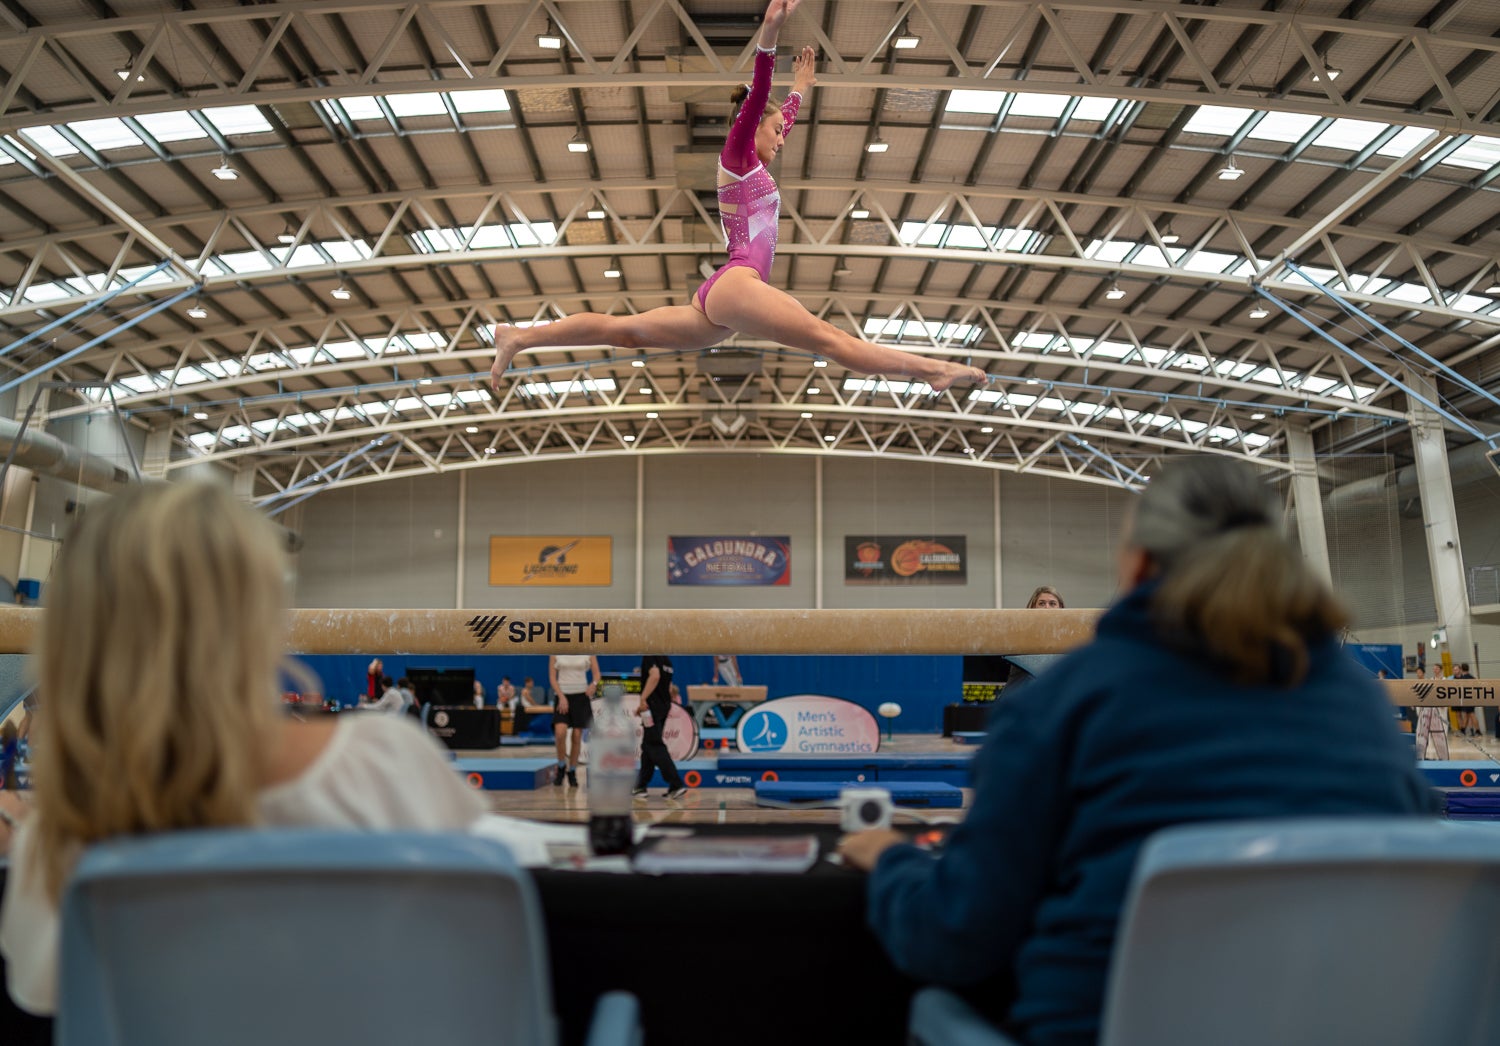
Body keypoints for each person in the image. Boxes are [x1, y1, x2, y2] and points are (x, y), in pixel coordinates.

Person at [839, 456, 1437, 1046]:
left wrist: (892, 860)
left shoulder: (1067, 704)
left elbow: (954, 937)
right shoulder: (1362, 708)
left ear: (1142, 561)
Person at [0, 480, 486, 1016]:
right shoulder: (384, 767)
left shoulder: (59, 843)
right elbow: (479, 945)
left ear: (73, 637)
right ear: (257, 615)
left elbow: (45, 1006)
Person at [487, 0, 986, 396]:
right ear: (752, 126)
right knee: (830, 340)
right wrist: (770, 33)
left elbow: (779, 117)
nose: (783, 138)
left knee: (627, 333)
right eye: (776, 130)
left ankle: (520, 336)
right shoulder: (738, 154)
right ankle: (934, 369)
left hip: (718, 303)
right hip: (738, 282)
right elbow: (760, 95)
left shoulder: (755, 162)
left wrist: (800, 89)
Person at [633, 655, 687, 801]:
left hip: (652, 708)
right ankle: (640, 786)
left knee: (654, 745)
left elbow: (655, 676)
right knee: (648, 745)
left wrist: (643, 699)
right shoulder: (667, 660)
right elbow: (669, 686)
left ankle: (676, 784)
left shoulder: (650, 656)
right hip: (663, 706)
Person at [1000, 586, 1065, 695]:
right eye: (1041, 603)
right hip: (1019, 695)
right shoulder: (1021, 631)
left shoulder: (1068, 636)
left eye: (1052, 604)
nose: (1047, 608)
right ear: (1033, 607)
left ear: (1061, 608)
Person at [548, 654, 601, 787]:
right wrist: (561, 696)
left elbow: (597, 675)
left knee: (577, 736)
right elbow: (552, 678)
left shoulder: (588, 651)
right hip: (562, 696)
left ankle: (572, 771)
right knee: (560, 733)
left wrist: (594, 684)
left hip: (581, 697)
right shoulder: (555, 652)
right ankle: (561, 766)